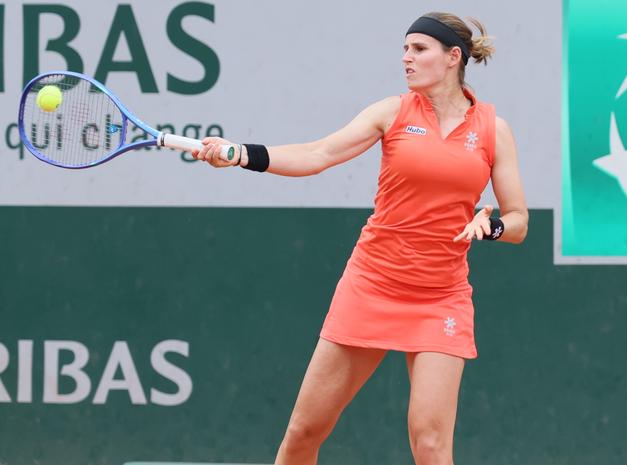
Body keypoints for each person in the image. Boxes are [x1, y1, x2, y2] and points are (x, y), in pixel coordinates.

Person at [193, 12, 528, 465]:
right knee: (304, 431)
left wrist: (493, 227)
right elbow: (318, 154)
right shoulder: (391, 112)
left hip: (441, 296)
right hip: (372, 284)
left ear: (453, 58)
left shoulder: (493, 129)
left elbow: (518, 220)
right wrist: (241, 155)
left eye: (419, 49)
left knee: (430, 445)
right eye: (405, 49)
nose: (406, 58)